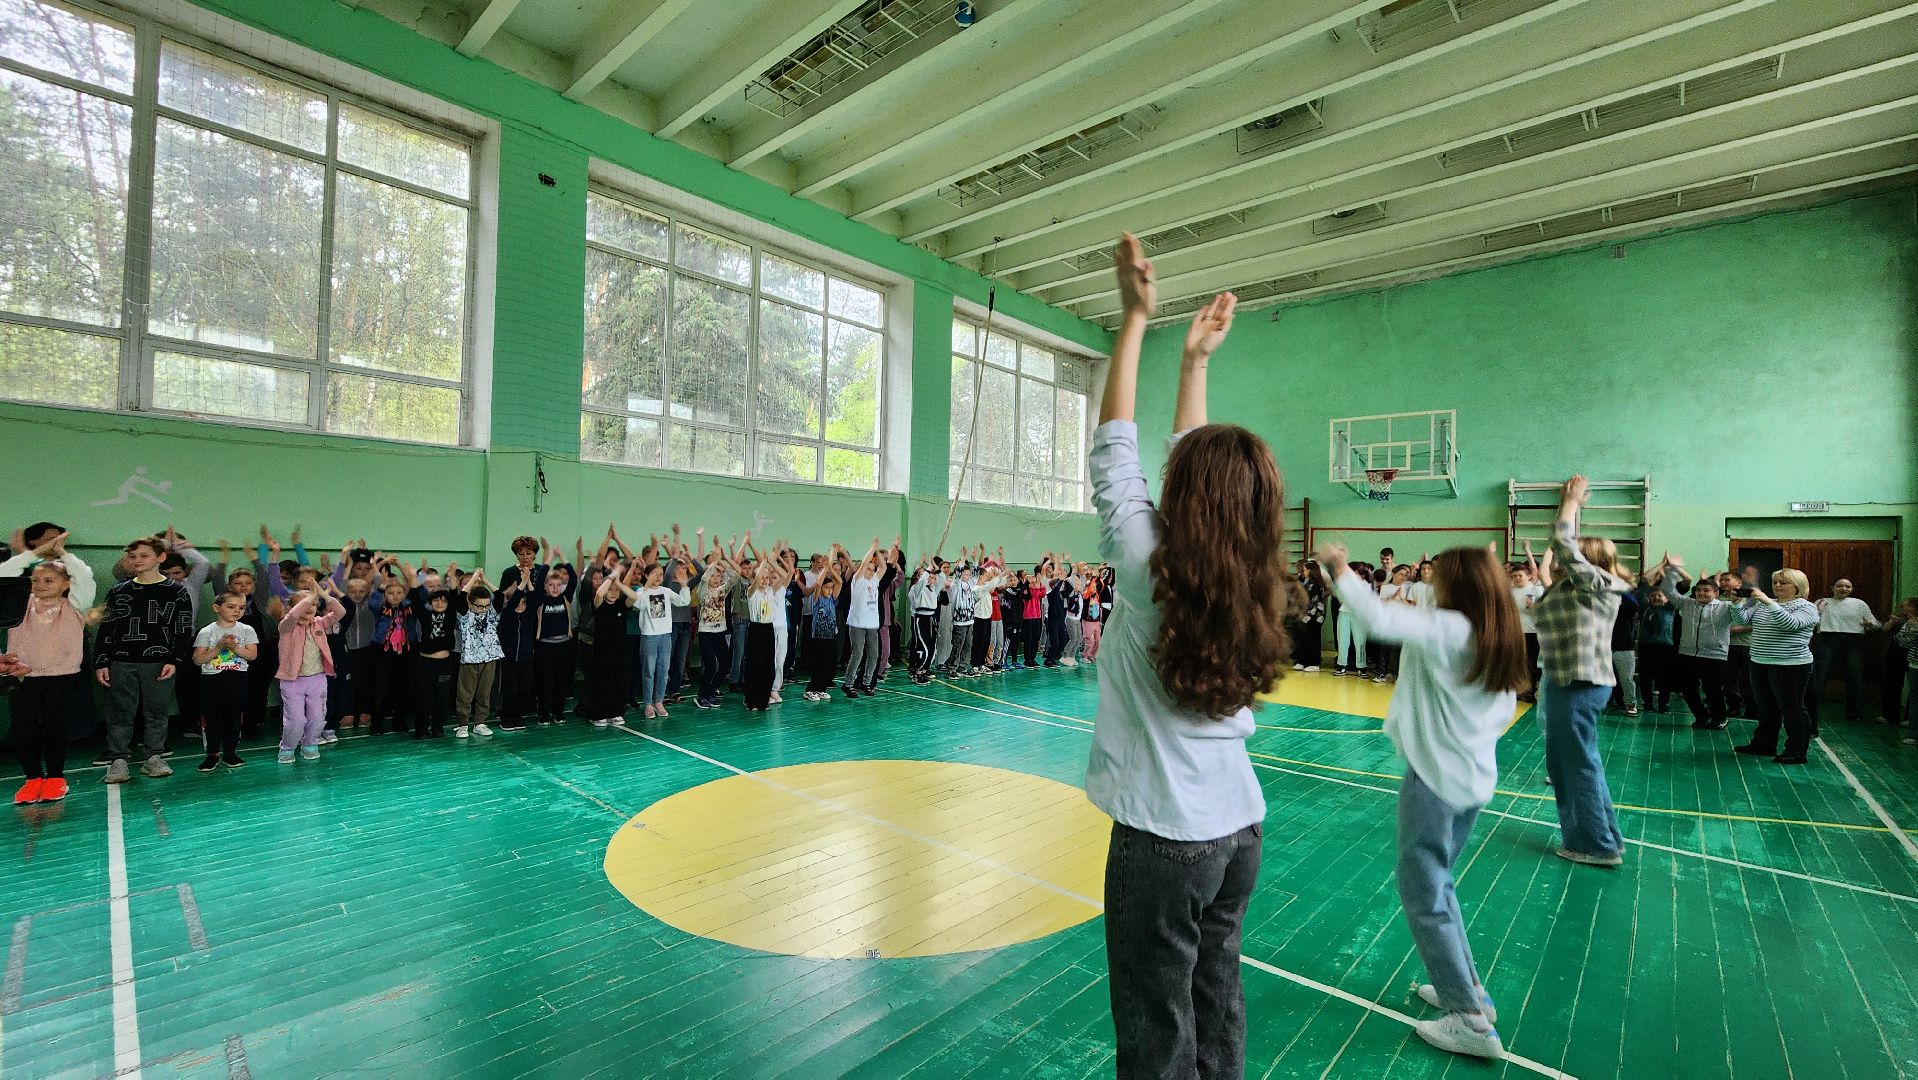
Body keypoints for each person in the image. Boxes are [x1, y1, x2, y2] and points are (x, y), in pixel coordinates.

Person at [1088, 235, 1286, 1079]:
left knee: (1156, 1024)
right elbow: (1183, 467)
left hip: (1165, 838)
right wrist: (1194, 364)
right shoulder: (1254, 577)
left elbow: (1114, 455)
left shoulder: (1150, 571)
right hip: (1238, 831)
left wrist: (1135, 321)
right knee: (1216, 1001)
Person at [1322, 541, 1526, 1060]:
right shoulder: (1495, 632)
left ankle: (1470, 1022)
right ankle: (1470, 989)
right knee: (1441, 885)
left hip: (1436, 782)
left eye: (1440, 577)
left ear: (1457, 586)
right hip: (1471, 779)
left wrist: (1340, 568)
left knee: (1424, 895)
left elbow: (1375, 617)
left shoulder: (1450, 629)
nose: (1430, 582)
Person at [1535, 476, 1633, 868]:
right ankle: (1605, 838)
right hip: (1568, 681)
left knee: (1574, 764)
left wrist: (1571, 502)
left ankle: (1594, 845)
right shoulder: (1573, 589)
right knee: (1575, 762)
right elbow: (1550, 570)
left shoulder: (1597, 583)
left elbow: (1562, 541)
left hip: (1579, 684)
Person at [2, 528, 97, 803]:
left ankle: (55, 778)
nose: (40, 585)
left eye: (48, 580)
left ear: (66, 583)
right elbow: (3, 574)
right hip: (22, 675)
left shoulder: (76, 605)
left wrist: (62, 553)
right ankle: (32, 779)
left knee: (54, 728)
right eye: (35, 580)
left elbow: (84, 576)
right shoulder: (21, 603)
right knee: (24, 728)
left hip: (61, 676)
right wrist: (34, 554)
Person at [96, 536, 195, 784]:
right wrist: (102, 661)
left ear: (160, 557)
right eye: (132, 556)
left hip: (159, 662)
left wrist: (174, 659)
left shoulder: (176, 591)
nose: (137, 560)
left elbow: (182, 628)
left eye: (143, 555)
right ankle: (118, 759)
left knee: (157, 710)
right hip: (121, 660)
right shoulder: (119, 591)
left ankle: (154, 756)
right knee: (120, 710)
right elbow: (107, 628)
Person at [1731, 568, 1821, 765]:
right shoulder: (1766, 604)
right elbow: (1742, 620)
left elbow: (1790, 624)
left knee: (1792, 708)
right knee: (1766, 707)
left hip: (1790, 665)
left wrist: (1769, 602)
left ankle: (1796, 751)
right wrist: (1736, 604)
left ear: (1797, 586)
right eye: (1775, 582)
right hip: (1760, 661)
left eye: (1784, 582)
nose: (1778, 586)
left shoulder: (1806, 607)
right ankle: (1764, 744)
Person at [274, 584, 346, 764]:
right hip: (292, 681)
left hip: (317, 679)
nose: (309, 607)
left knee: (317, 717)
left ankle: (310, 744)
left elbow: (340, 612)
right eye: (304, 604)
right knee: (296, 720)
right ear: (293, 607)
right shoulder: (286, 626)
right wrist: (309, 597)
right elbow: (293, 616)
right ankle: (287, 747)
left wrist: (323, 595)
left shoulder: (319, 623)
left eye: (313, 604)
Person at [191, 592, 259, 772]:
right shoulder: (207, 631)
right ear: (217, 608)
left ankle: (230, 752)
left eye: (241, 607)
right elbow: (197, 659)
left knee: (234, 717)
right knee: (212, 718)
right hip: (212, 680)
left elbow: (252, 655)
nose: (237, 611)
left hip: (237, 678)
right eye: (231, 607)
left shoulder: (247, 630)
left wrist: (235, 647)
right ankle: (212, 754)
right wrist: (219, 647)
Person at [1811, 579, 1879, 724]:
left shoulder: (1859, 604)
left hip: (1853, 641)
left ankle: (1854, 713)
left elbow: (1876, 624)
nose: (1843, 588)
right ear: (1832, 588)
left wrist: (1869, 624)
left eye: (1847, 586)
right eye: (1839, 586)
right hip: (1827, 639)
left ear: (1852, 589)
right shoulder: (1822, 601)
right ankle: (1812, 711)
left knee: (1854, 676)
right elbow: (1811, 620)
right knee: (1820, 675)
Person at [452, 570, 504, 738]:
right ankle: (462, 725)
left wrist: (485, 580)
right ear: (470, 604)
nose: (483, 609)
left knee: (484, 692)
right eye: (479, 606)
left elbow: (499, 595)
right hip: (469, 659)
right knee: (465, 693)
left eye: (486, 605)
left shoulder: (492, 614)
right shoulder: (464, 615)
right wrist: (474, 578)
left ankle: (480, 723)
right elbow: (461, 597)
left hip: (489, 658)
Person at [842, 539, 886, 696]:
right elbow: (863, 565)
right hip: (857, 623)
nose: (871, 572)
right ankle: (848, 684)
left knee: (873, 655)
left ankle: (866, 683)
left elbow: (883, 567)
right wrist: (871, 549)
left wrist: (877, 551)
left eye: (872, 569)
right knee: (858, 654)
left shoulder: (874, 580)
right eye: (868, 569)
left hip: (872, 624)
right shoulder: (858, 580)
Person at [804, 568, 841, 701]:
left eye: (831, 588)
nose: (830, 590)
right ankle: (810, 690)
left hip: (831, 636)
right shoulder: (817, 599)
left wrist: (831, 568)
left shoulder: (832, 599)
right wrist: (826, 568)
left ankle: (821, 689)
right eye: (827, 588)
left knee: (828, 665)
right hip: (819, 637)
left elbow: (840, 582)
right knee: (819, 665)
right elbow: (819, 583)